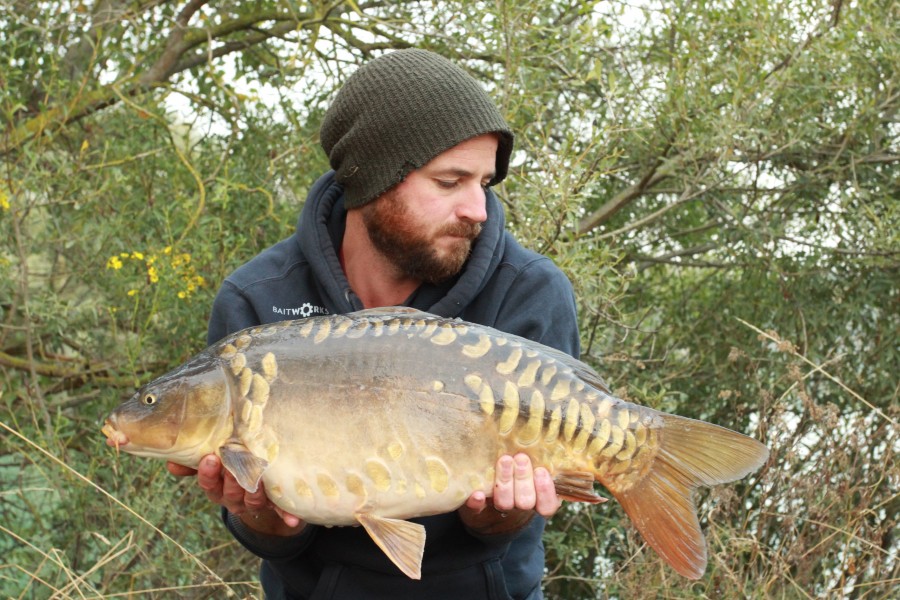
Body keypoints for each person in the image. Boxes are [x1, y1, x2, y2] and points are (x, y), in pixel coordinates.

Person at [167, 49, 582, 600]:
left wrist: (499, 515)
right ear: (372, 182)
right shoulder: (259, 299)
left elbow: (516, 526)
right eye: (450, 181)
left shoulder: (530, 291)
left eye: (483, 182)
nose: (477, 210)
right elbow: (269, 540)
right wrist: (265, 518)